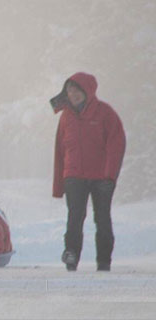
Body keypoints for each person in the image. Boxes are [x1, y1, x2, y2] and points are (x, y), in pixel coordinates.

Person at [50, 72, 126, 272]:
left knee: (101, 217)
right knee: (75, 216)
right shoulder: (66, 117)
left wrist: (110, 175)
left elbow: (116, 145)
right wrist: (59, 184)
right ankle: (71, 254)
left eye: (76, 90)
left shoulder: (105, 113)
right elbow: (60, 151)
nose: (73, 94)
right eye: (69, 90)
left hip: (102, 178)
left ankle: (103, 261)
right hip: (74, 176)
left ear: (88, 91)